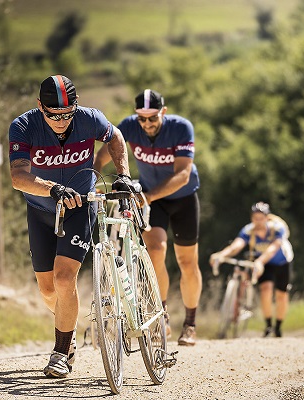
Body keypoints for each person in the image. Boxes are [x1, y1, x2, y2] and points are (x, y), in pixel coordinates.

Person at [9, 75, 137, 378]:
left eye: (68, 114)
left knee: (65, 279)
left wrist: (124, 174)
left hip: (81, 206)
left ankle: (61, 351)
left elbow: (116, 136)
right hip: (41, 209)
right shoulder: (24, 126)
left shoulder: (89, 119)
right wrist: (52, 188)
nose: (62, 121)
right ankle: (66, 326)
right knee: (47, 289)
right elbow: (18, 177)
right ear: (40, 106)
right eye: (54, 115)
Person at [94, 89, 202, 346]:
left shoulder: (180, 128)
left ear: (162, 112)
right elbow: (104, 154)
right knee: (155, 250)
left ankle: (190, 323)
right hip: (151, 199)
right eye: (142, 118)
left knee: (187, 262)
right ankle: (161, 318)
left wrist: (150, 196)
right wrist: (93, 177)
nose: (147, 123)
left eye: (152, 117)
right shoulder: (130, 127)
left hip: (182, 197)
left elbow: (183, 174)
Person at [209, 202, 294, 338]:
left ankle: (278, 327)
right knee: (265, 290)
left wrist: (259, 262)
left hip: (281, 262)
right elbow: (236, 246)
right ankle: (268, 326)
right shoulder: (248, 230)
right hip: (263, 264)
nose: (258, 221)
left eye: (261, 218)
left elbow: (273, 249)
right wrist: (221, 255)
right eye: (255, 218)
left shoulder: (277, 229)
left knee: (281, 295)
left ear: (267, 218)